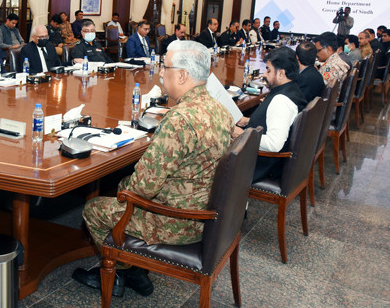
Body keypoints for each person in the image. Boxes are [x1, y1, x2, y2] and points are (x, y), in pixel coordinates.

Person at [73, 40, 234, 297]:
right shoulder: (220, 110)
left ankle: (122, 271)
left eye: (165, 66)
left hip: (177, 221)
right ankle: (133, 268)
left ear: (182, 75)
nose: (160, 72)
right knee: (123, 184)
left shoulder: (180, 119)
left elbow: (143, 189)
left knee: (94, 209)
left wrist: (124, 189)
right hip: (207, 212)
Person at [234, 47, 307, 181]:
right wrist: (248, 121)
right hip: (262, 158)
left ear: (281, 73)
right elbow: (274, 121)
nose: (264, 74)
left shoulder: (281, 101)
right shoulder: (292, 89)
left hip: (257, 164)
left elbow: (274, 144)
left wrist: (241, 134)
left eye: (268, 70)